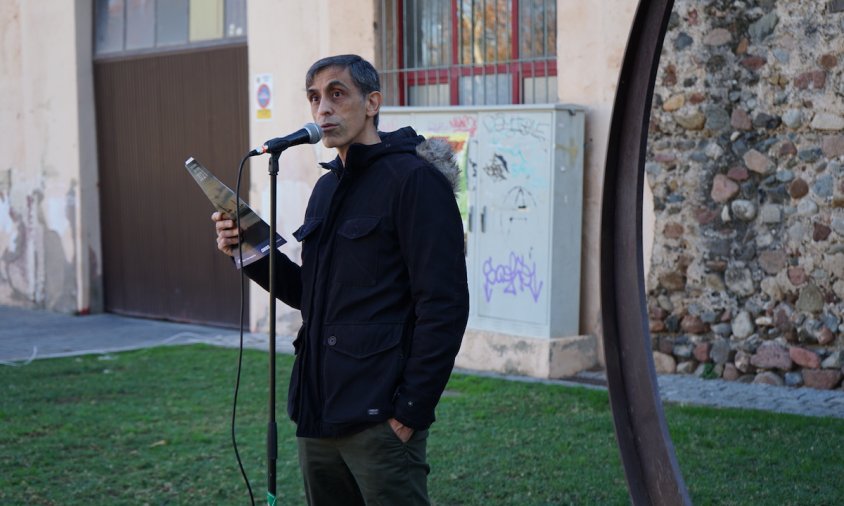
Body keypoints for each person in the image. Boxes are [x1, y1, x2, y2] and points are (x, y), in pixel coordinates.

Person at [212, 54, 469, 505]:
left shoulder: (414, 181)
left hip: (381, 415)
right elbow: (309, 294)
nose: (323, 109)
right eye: (314, 98)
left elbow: (444, 304)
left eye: (337, 94)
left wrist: (411, 409)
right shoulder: (326, 188)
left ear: (372, 103)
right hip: (318, 411)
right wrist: (247, 250)